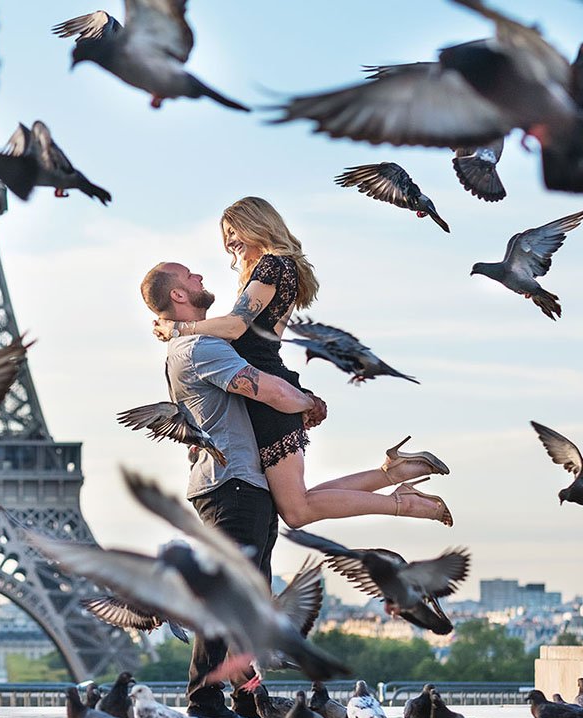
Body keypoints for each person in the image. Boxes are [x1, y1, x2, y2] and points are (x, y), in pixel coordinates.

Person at [153, 197, 452, 528]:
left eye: (233, 232)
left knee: (297, 510)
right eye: (226, 237)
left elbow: (237, 326)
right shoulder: (277, 269)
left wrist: (179, 328)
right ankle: (392, 474)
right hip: (266, 385)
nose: (230, 244)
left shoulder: (272, 266)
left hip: (267, 391)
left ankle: (403, 502)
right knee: (296, 503)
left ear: (256, 225)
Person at [141, 260, 314, 718]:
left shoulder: (195, 343)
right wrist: (309, 403)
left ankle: (241, 698)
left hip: (235, 483)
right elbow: (270, 391)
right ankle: (206, 703)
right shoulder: (199, 347)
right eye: (190, 277)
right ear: (178, 296)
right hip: (231, 484)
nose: (200, 276)